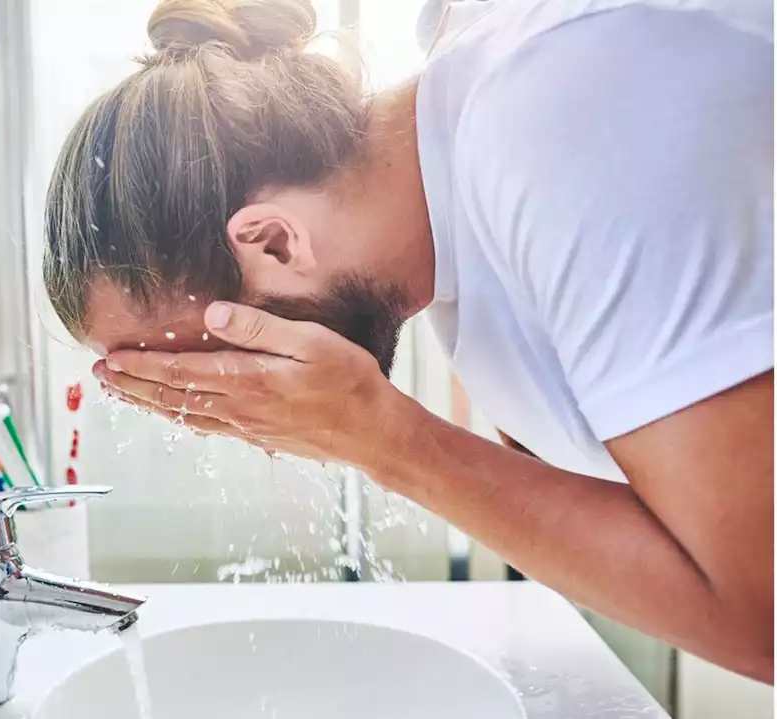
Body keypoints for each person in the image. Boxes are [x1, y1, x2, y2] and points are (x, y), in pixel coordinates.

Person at [41, 0, 774, 682]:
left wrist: (384, 438)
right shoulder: (456, 223)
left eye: (204, 369)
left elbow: (762, 609)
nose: (234, 415)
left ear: (270, 241)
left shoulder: (554, 113)